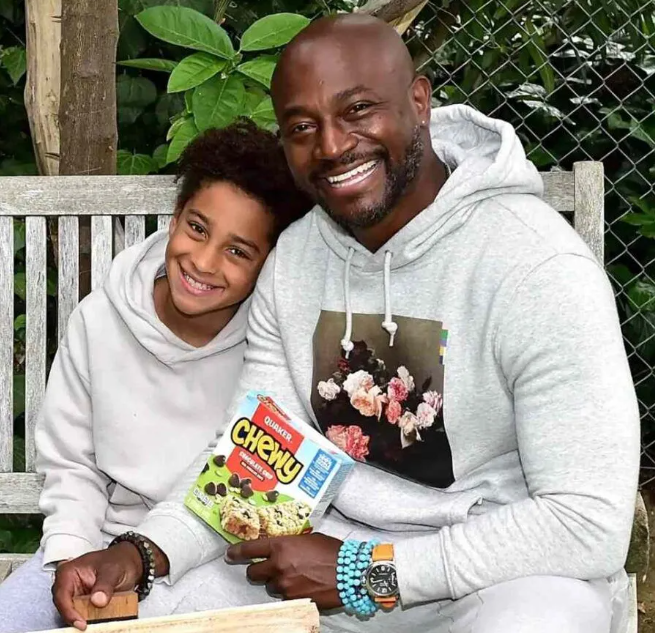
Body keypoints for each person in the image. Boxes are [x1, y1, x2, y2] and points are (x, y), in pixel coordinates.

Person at [55, 14, 637, 633]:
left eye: (358, 110)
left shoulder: (537, 268)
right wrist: (143, 553)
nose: (331, 147)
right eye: (303, 127)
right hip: (318, 564)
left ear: (419, 101)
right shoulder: (295, 263)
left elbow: (586, 522)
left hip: (495, 580)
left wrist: (368, 572)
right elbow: (261, 465)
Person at [0, 119, 311, 633]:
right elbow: (72, 466)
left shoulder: (272, 350)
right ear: (174, 217)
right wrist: (70, 558)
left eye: (238, 251)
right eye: (197, 228)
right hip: (96, 546)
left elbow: (252, 491)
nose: (205, 262)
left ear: (268, 264)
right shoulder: (100, 320)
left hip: (218, 563)